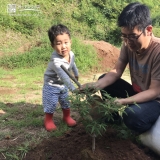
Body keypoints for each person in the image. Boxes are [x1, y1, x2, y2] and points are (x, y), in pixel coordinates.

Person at [79, 2, 160, 135]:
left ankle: (144, 123)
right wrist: (95, 85)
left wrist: (123, 101)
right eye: (124, 36)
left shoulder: (158, 51)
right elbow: (116, 71)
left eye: (133, 36)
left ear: (148, 30)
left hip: (155, 100)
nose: (128, 41)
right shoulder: (128, 45)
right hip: (137, 92)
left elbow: (154, 91)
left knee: (132, 116)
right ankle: (114, 119)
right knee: (104, 79)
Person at [42, 24, 79, 131]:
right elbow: (64, 77)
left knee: (66, 101)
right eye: (59, 43)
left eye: (66, 42)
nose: (63, 46)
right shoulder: (56, 61)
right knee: (51, 103)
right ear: (52, 46)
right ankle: (48, 120)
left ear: (70, 42)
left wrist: (76, 74)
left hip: (63, 85)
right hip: (52, 85)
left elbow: (73, 64)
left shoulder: (71, 54)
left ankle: (66, 117)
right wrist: (74, 89)